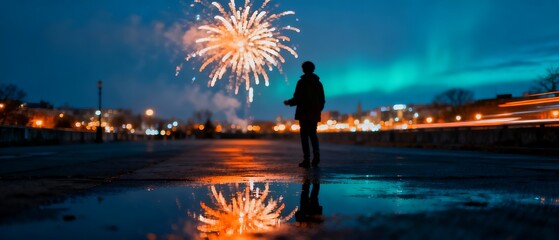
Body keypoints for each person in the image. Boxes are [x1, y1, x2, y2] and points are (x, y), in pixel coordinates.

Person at [284, 61, 325, 168]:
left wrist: (289, 102)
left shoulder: (301, 83)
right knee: (313, 135)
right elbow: (322, 100)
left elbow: (297, 98)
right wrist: (318, 110)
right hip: (314, 114)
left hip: (303, 113)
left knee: (304, 137)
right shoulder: (318, 83)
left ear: (304, 69)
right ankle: (316, 156)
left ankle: (306, 159)